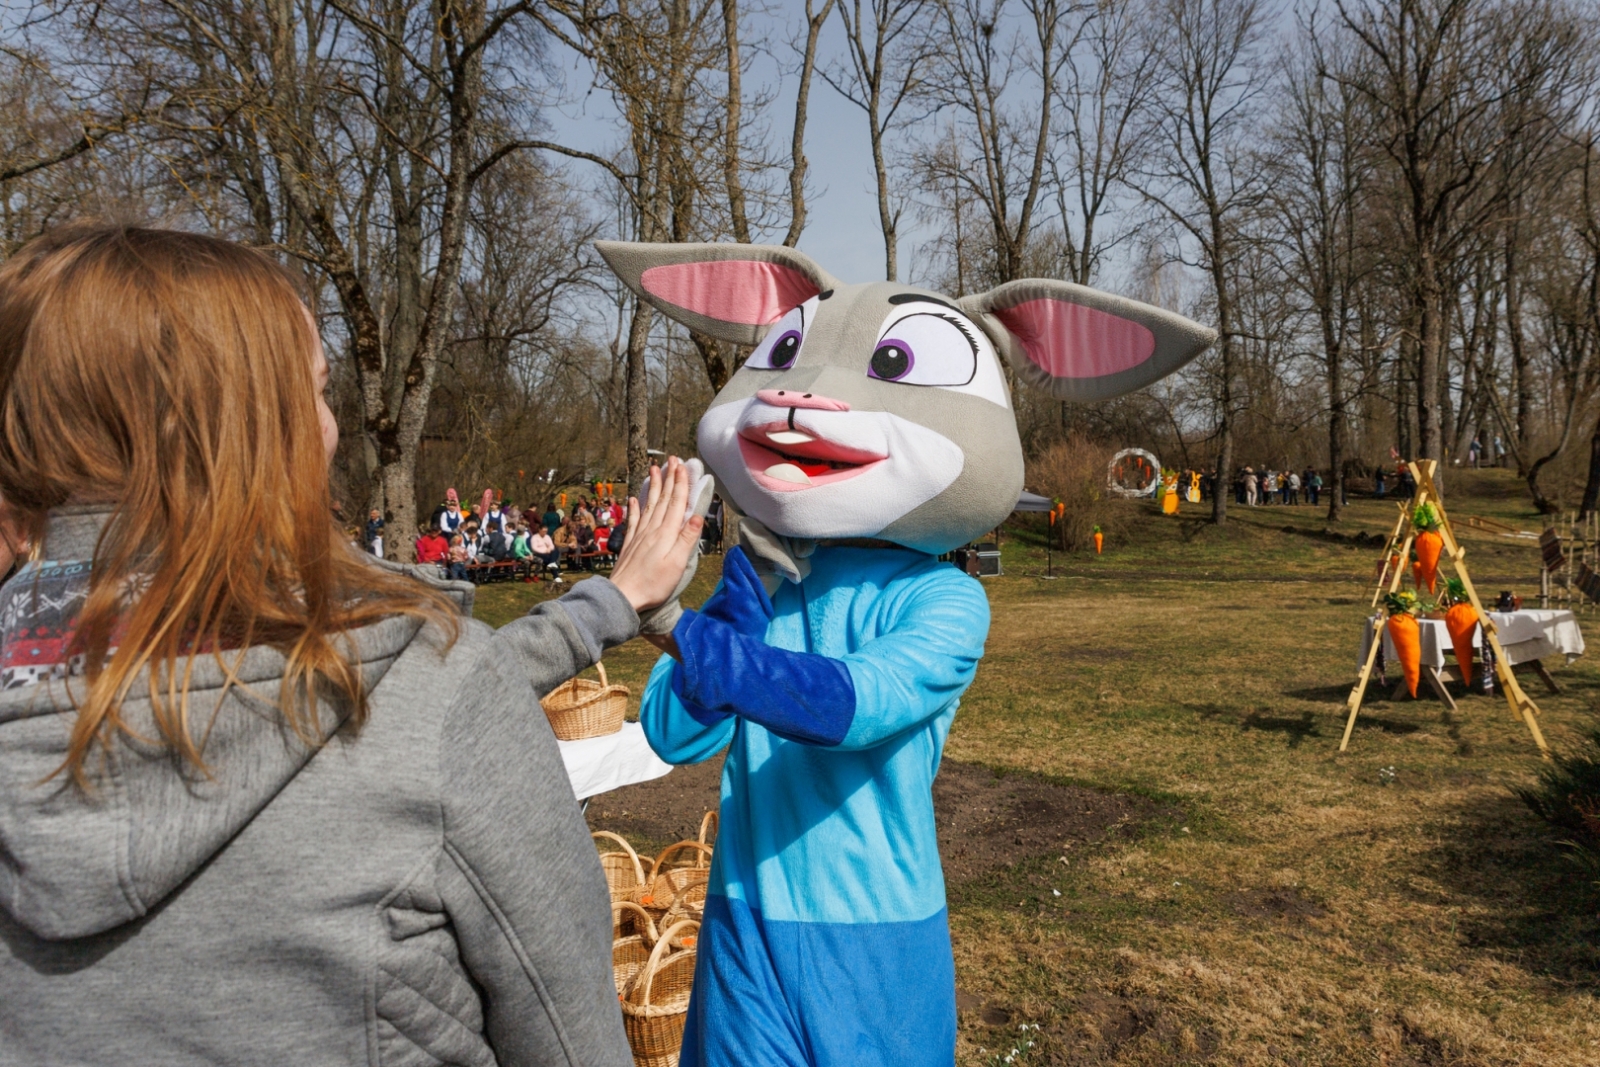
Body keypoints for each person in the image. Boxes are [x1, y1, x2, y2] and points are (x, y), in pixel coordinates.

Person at [0, 224, 705, 1065]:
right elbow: (573, 1042)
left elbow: (372, 695)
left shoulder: (424, 691)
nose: (333, 431)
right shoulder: (436, 699)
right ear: (253, 424)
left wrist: (609, 604)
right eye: (317, 392)